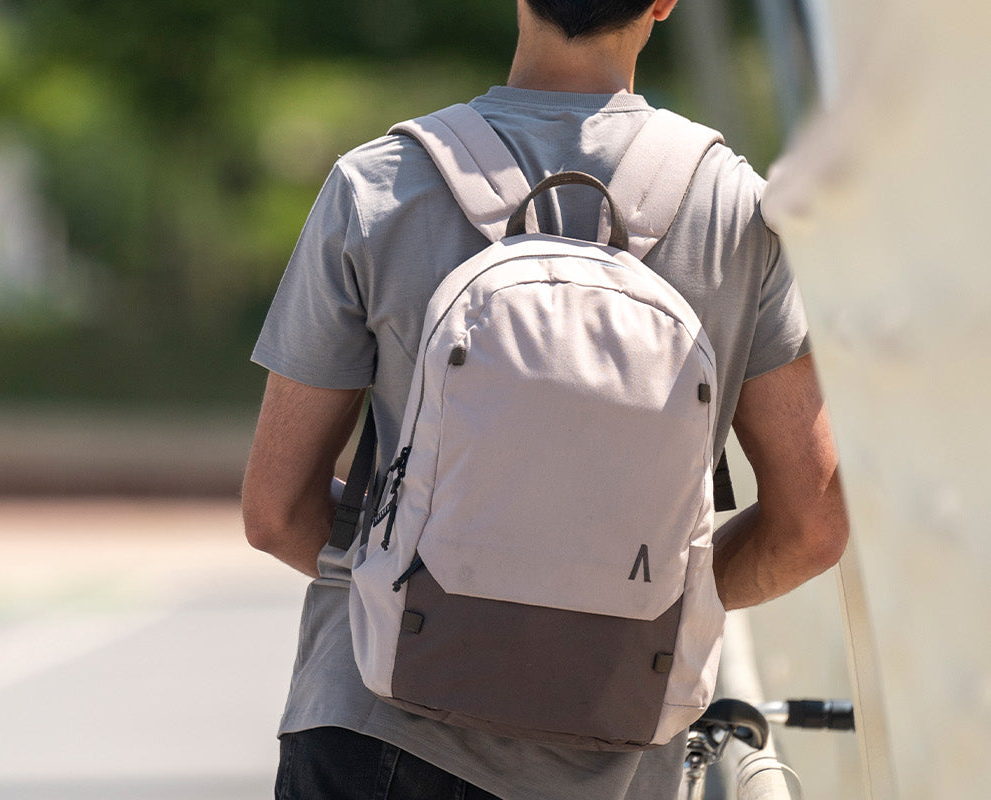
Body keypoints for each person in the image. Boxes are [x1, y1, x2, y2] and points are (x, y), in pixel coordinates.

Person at [240, 0, 851, 798]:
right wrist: (638, 607)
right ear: (663, 2)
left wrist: (425, 585)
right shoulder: (738, 212)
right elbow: (812, 526)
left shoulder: (378, 186)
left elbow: (276, 512)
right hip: (619, 744)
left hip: (377, 728)